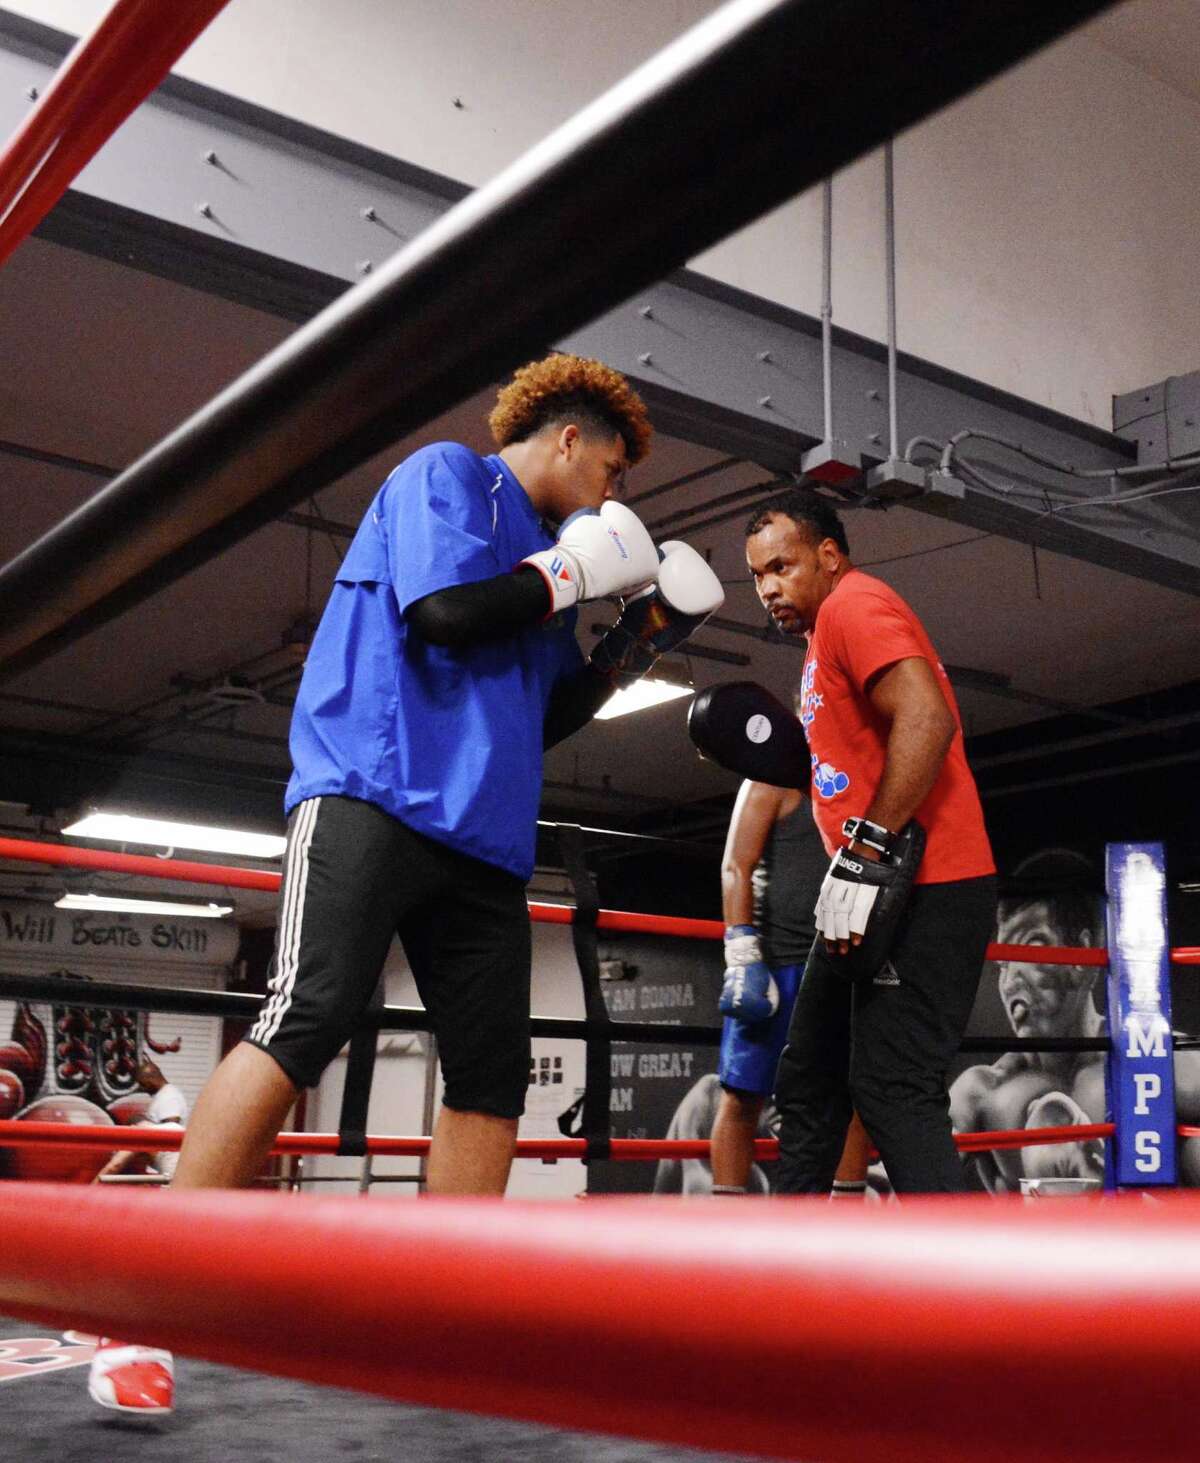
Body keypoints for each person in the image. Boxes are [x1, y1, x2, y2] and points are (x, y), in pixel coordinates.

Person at [87, 354, 723, 1414]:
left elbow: (546, 708)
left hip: (483, 836)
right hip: (373, 790)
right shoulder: (447, 479)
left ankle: (440, 1312)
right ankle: (141, 1303)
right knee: (310, 1011)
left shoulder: (551, 561)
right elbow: (443, 618)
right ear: (567, 440)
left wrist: (639, 636)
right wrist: (569, 575)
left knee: (491, 1071)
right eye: (611, 470)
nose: (615, 496)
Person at [744, 489, 996, 1195]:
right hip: (865, 891)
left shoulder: (854, 605)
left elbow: (927, 717)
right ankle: (793, 1266)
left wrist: (866, 849)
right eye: (758, 575)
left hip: (927, 883)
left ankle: (975, 1292)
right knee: (810, 1074)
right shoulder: (823, 639)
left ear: (828, 555)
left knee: (892, 1084)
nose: (768, 588)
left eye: (782, 566)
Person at [950, 847, 1200, 1190]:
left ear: (1081, 956)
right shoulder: (982, 1091)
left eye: (1031, 948)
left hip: (1144, 1239)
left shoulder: (1159, 1065)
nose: (1010, 981)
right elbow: (893, 1180)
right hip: (1029, 1243)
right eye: (1004, 964)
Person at [711, 778, 870, 1197]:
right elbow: (736, 865)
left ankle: (844, 1234)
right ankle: (723, 1238)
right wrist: (743, 951)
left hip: (839, 966)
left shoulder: (860, 782)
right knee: (742, 1096)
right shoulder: (770, 781)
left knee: (847, 1101)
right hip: (775, 969)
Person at [93, 1058, 188, 1183]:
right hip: (171, 1168)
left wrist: (86, 1195)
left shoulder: (169, 1098)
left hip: (175, 1173)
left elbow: (113, 1167)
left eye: (143, 1084)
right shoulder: (163, 1096)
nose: (143, 1089)